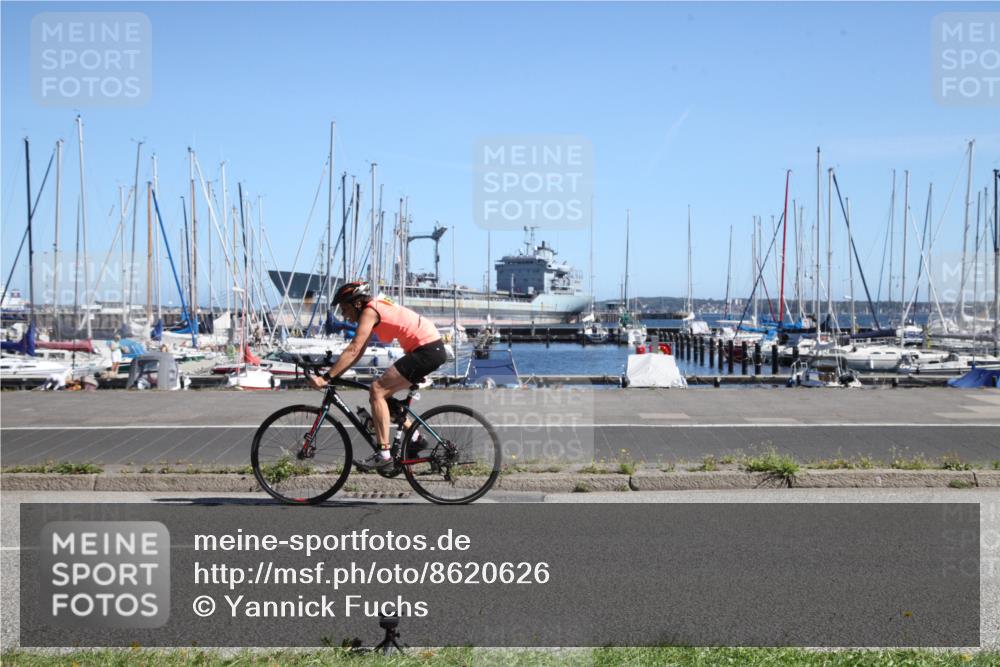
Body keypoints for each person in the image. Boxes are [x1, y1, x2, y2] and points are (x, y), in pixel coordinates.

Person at [307, 281, 447, 469]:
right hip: (428, 349)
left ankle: (384, 455)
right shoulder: (373, 312)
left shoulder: (370, 311)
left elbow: (354, 348)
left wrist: (326, 378)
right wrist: (334, 371)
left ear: (357, 303)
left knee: (377, 390)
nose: (343, 315)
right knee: (384, 396)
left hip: (426, 350)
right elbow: (357, 353)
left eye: (345, 308)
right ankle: (415, 438)